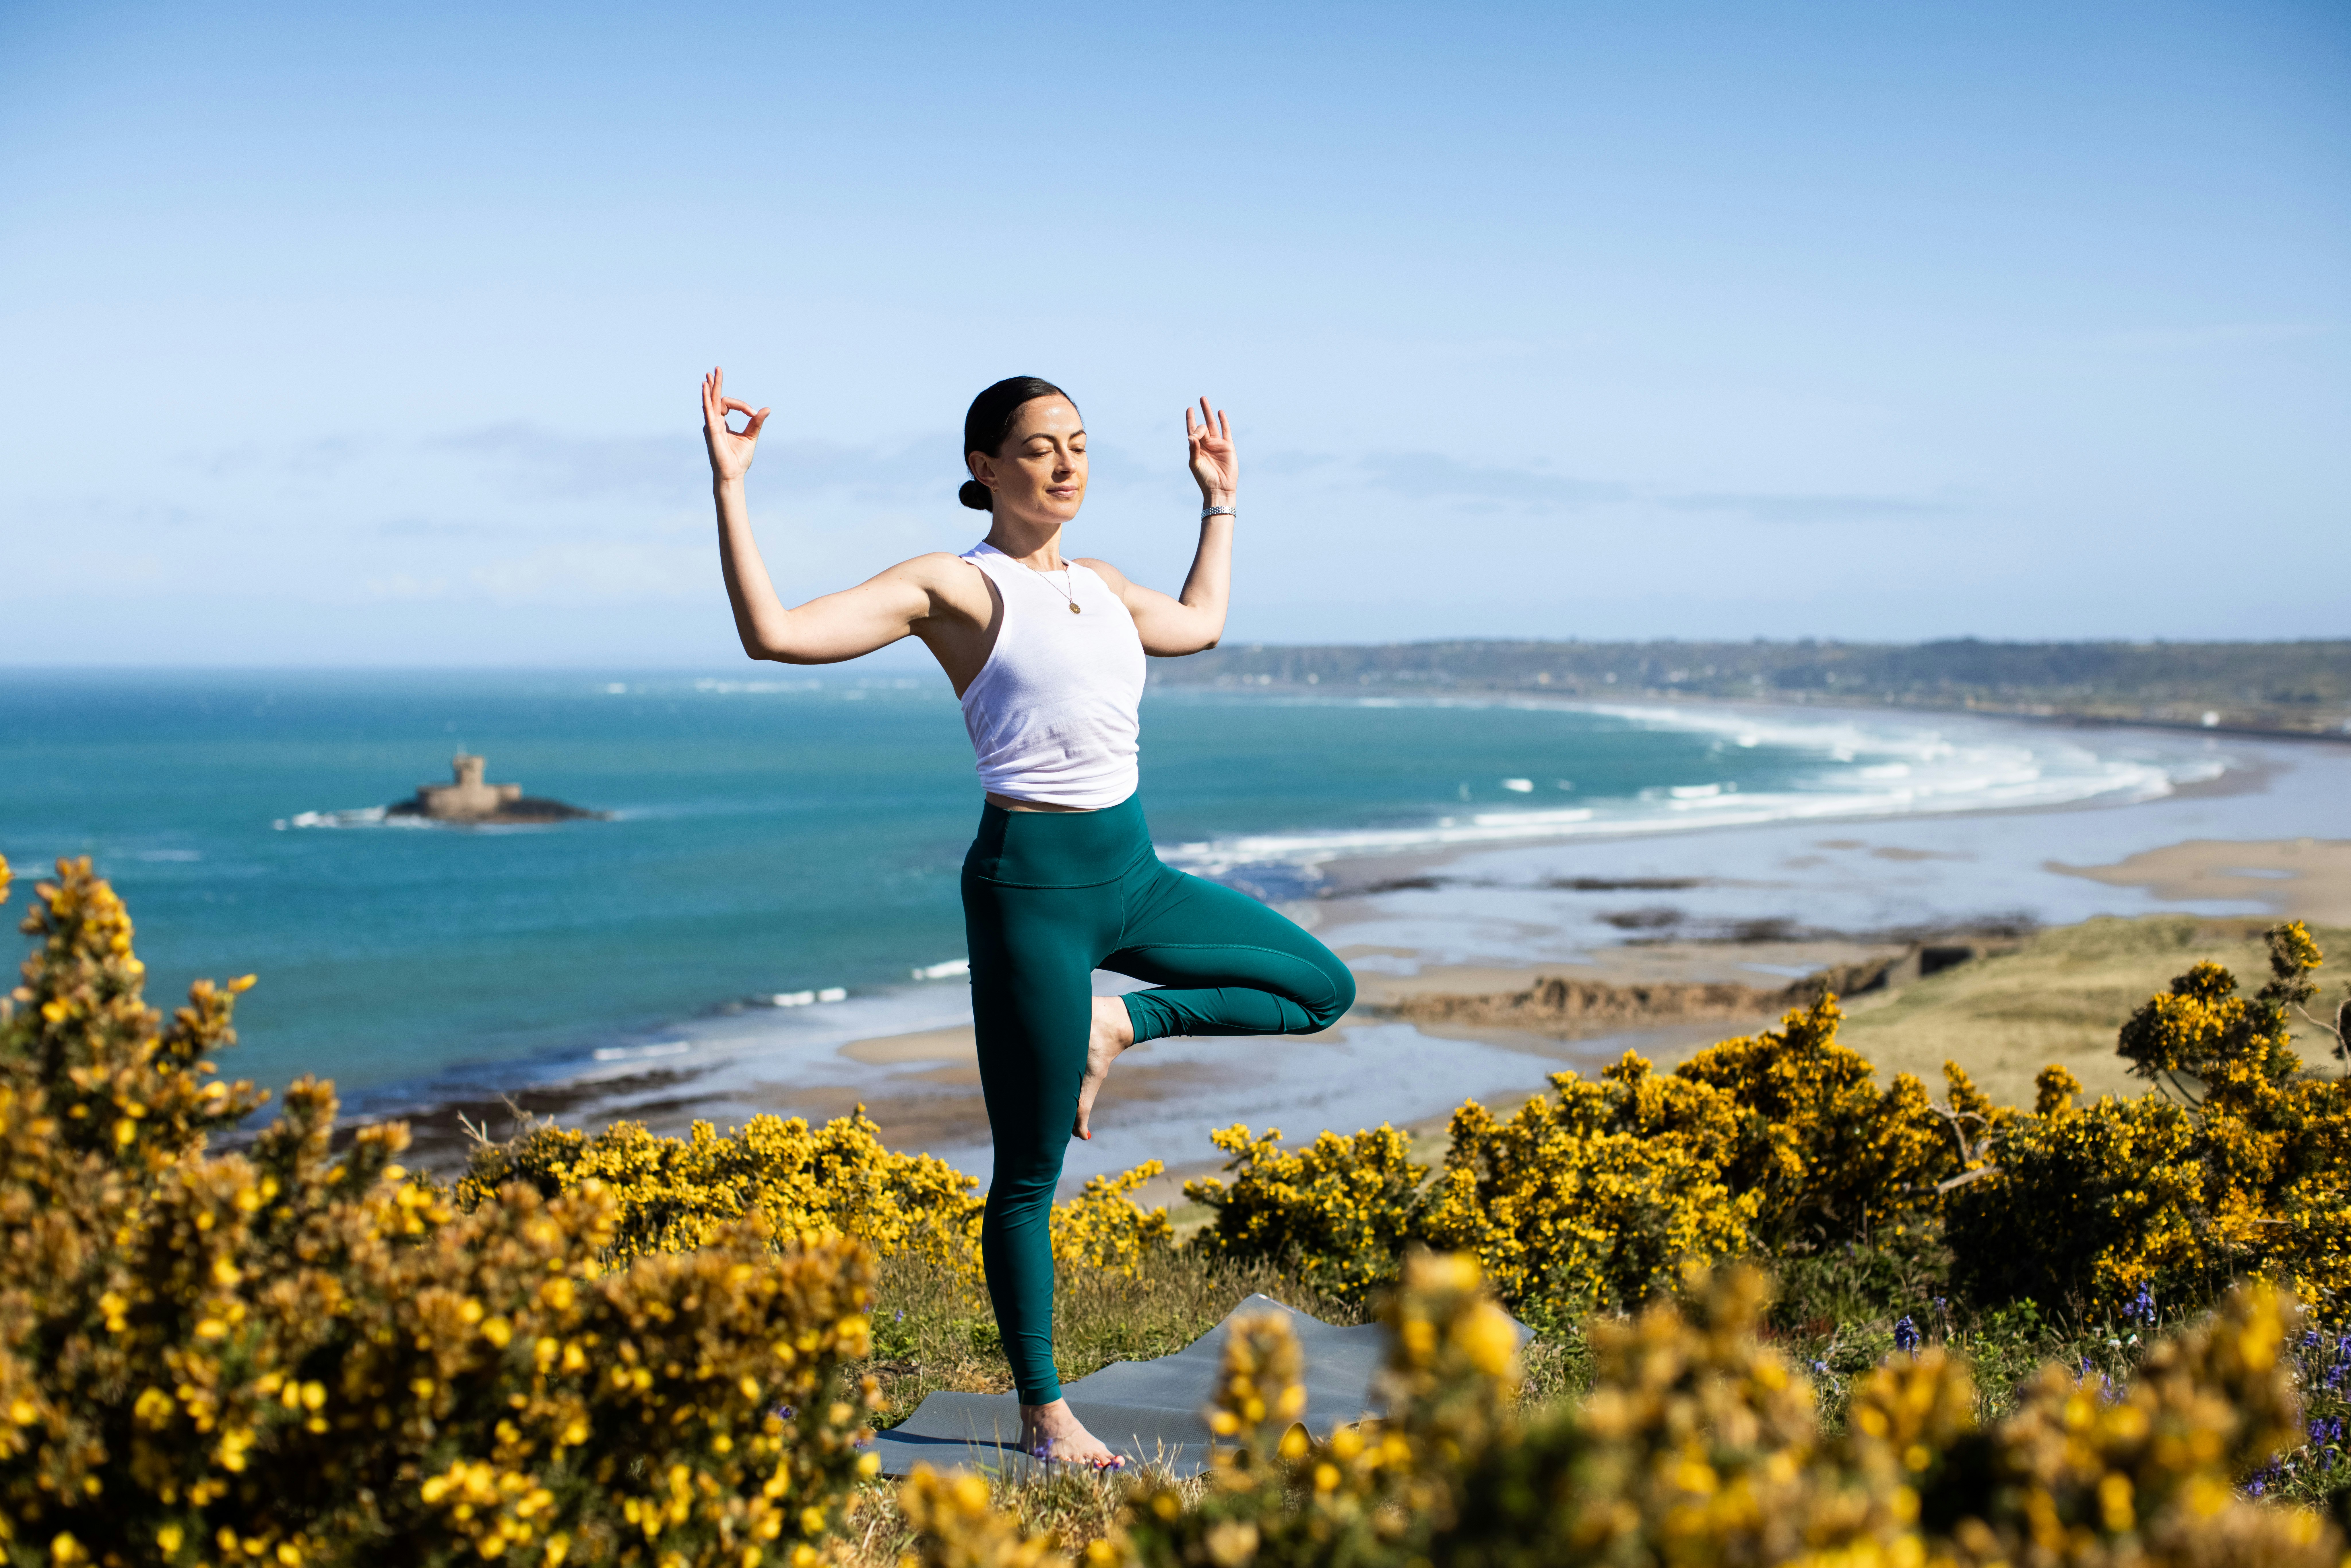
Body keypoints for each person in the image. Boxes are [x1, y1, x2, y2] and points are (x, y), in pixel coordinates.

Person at [700, 368, 1355, 1468]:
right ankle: (1044, 1411)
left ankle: (1120, 1028)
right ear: (985, 469)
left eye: (1082, 446)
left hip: (1135, 874)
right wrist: (731, 485)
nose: (1066, 464)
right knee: (1029, 1171)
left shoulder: (1097, 584)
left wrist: (1220, 501)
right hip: (1031, 898)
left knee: (1322, 989)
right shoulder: (952, 588)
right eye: (1042, 447)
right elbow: (773, 634)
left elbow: (1196, 624)